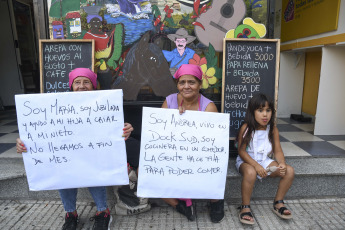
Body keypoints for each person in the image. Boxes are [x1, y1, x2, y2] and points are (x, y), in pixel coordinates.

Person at [16, 68, 136, 230]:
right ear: (71, 85)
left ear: (94, 86)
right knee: (63, 175)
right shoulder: (56, 105)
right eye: (77, 82)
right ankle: (70, 214)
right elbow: (39, 129)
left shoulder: (105, 103)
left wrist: (126, 128)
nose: (81, 86)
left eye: (86, 82)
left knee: (94, 174)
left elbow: (117, 127)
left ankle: (103, 212)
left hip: (94, 154)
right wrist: (25, 141)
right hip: (66, 154)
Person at [161, 64, 225, 223]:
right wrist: (174, 120)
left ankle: (215, 201)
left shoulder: (209, 107)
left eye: (191, 82)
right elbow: (160, 134)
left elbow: (214, 143)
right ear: (177, 85)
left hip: (200, 156)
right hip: (174, 154)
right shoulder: (169, 102)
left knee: (213, 167)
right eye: (182, 82)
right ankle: (180, 205)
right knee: (146, 172)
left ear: (199, 84)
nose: (186, 86)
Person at [236, 93, 294, 225]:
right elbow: (241, 151)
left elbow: (278, 150)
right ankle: (245, 206)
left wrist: (282, 163)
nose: (265, 115)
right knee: (250, 172)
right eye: (260, 110)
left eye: (268, 110)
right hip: (246, 161)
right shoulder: (247, 128)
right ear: (252, 112)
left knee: (289, 171)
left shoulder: (272, 129)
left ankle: (278, 202)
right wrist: (256, 166)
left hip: (264, 161)